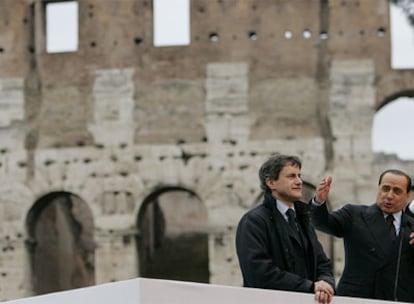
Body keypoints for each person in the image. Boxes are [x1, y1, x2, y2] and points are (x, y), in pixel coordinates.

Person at [235, 154, 335, 304]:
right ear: (271, 182)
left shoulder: (302, 220)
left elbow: (322, 263)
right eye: (291, 176)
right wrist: (310, 287)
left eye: (299, 176)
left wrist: (326, 283)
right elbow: (259, 273)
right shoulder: (253, 221)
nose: (299, 181)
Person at [312, 169, 414, 302]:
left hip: (398, 299)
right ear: (378, 189)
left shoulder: (411, 225)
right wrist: (318, 202)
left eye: (397, 191)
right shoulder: (354, 214)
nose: (389, 195)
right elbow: (322, 223)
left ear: (407, 196)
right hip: (357, 298)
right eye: (385, 189)